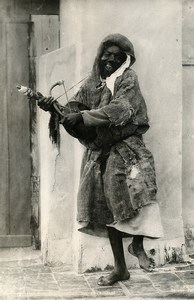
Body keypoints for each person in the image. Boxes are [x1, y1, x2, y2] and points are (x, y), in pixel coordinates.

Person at [38, 33, 163, 286]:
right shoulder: (92, 82)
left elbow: (121, 109)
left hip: (128, 149)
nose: (111, 59)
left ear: (125, 60)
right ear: (100, 54)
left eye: (118, 56)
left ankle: (138, 246)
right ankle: (120, 269)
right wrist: (55, 109)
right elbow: (74, 110)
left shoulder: (128, 78)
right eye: (108, 54)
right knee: (109, 210)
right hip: (100, 153)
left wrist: (83, 117)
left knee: (141, 196)